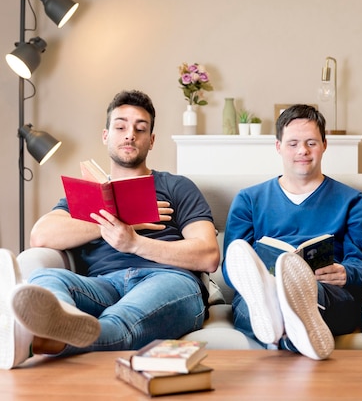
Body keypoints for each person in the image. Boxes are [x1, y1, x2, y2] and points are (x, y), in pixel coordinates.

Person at [1, 90, 220, 370]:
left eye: (140, 129)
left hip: (169, 280)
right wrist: (116, 218)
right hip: (103, 285)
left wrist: (134, 242)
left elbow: (208, 255)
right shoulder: (88, 196)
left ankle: (35, 341)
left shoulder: (177, 186)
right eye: (120, 127)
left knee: (120, 320)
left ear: (151, 141)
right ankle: (60, 319)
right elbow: (41, 235)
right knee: (47, 276)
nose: (130, 134)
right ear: (106, 136)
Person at [222, 104, 362, 360]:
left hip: (326, 292)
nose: (302, 151)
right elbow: (230, 268)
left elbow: (361, 266)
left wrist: (346, 273)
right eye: (293, 143)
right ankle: (277, 307)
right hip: (260, 291)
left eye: (311, 142)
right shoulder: (249, 199)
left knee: (306, 294)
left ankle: (279, 318)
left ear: (325, 144)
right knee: (254, 301)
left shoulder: (352, 200)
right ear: (278, 146)